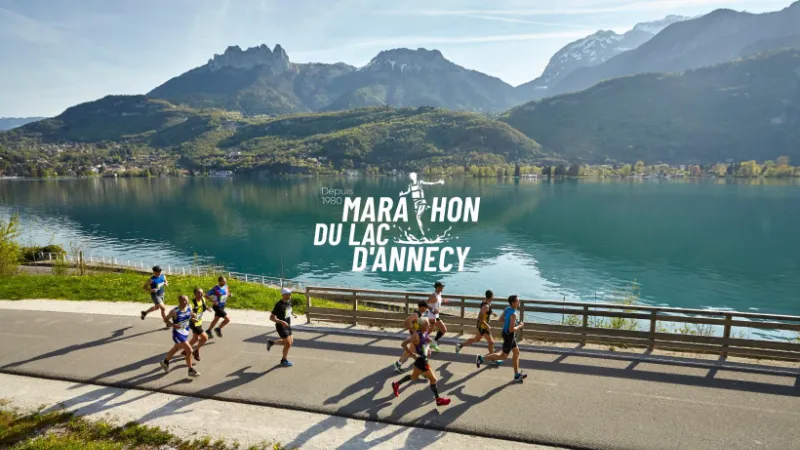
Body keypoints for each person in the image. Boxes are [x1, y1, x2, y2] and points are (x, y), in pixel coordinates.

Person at [390, 317, 451, 406]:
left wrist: (429, 340)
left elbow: (428, 333)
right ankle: (438, 400)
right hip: (421, 361)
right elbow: (403, 344)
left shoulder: (424, 332)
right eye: (427, 324)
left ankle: (396, 384)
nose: (428, 326)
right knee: (433, 379)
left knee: (413, 377)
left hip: (421, 360)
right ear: (421, 326)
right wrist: (412, 354)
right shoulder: (416, 335)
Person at [476, 295, 527, 382]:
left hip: (506, 333)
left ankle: (516, 375)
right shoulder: (514, 314)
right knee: (503, 356)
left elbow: (500, 319)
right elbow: (511, 330)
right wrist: (519, 326)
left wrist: (511, 322)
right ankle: (481, 359)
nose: (519, 302)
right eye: (518, 301)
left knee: (516, 352)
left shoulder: (508, 309)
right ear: (513, 303)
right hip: (509, 335)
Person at [159, 295, 200, 377]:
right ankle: (190, 370)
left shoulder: (189, 307)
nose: (186, 302)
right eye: (184, 301)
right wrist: (173, 325)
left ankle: (165, 362)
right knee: (189, 350)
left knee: (176, 348)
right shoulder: (174, 311)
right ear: (180, 301)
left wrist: (193, 318)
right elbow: (165, 320)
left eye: (187, 301)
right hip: (177, 335)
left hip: (185, 333)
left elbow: (190, 315)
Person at [456, 290, 501, 365]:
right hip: (483, 326)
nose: (494, 296)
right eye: (493, 295)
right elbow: (480, 318)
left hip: (482, 326)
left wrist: (492, 313)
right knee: (491, 342)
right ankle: (492, 359)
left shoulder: (486, 301)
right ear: (491, 296)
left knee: (476, 339)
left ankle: (460, 345)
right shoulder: (486, 306)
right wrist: (487, 325)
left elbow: (486, 311)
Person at [398, 172, 444, 237]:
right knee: (418, 215)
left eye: (415, 175)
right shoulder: (410, 185)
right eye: (413, 176)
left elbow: (430, 183)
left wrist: (438, 182)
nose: (414, 176)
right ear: (411, 177)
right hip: (415, 203)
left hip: (421, 201)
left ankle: (422, 233)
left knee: (417, 217)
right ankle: (425, 208)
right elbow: (408, 192)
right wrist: (402, 194)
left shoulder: (420, 182)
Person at [392, 301, 429, 372]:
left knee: (412, 351)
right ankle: (422, 369)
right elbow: (406, 322)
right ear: (422, 307)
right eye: (425, 308)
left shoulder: (419, 314)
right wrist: (413, 330)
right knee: (420, 353)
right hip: (415, 336)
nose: (426, 309)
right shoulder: (416, 314)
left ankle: (398, 363)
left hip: (417, 335)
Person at [267, 287, 294, 367]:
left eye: (290, 293)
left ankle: (271, 342)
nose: (290, 295)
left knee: (290, 342)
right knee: (288, 343)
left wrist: (293, 314)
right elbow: (271, 317)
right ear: (284, 295)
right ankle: (283, 360)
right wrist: (281, 321)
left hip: (288, 325)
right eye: (288, 294)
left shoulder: (289, 301)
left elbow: (288, 310)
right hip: (281, 326)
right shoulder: (279, 305)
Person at [187, 288, 209, 361]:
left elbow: (203, 307)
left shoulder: (203, 299)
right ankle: (196, 351)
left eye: (202, 293)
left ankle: (185, 350)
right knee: (205, 338)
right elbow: (188, 313)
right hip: (194, 323)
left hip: (199, 322)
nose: (201, 294)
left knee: (195, 338)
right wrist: (191, 315)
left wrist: (208, 308)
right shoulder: (192, 303)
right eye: (199, 293)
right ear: (195, 294)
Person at [426, 281, 448, 352]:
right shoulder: (433, 295)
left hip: (436, 316)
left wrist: (444, 301)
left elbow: (438, 301)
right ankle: (426, 341)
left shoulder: (439, 294)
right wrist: (432, 310)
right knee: (442, 329)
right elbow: (426, 303)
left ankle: (431, 341)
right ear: (438, 287)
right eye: (442, 287)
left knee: (432, 330)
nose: (443, 288)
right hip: (432, 316)